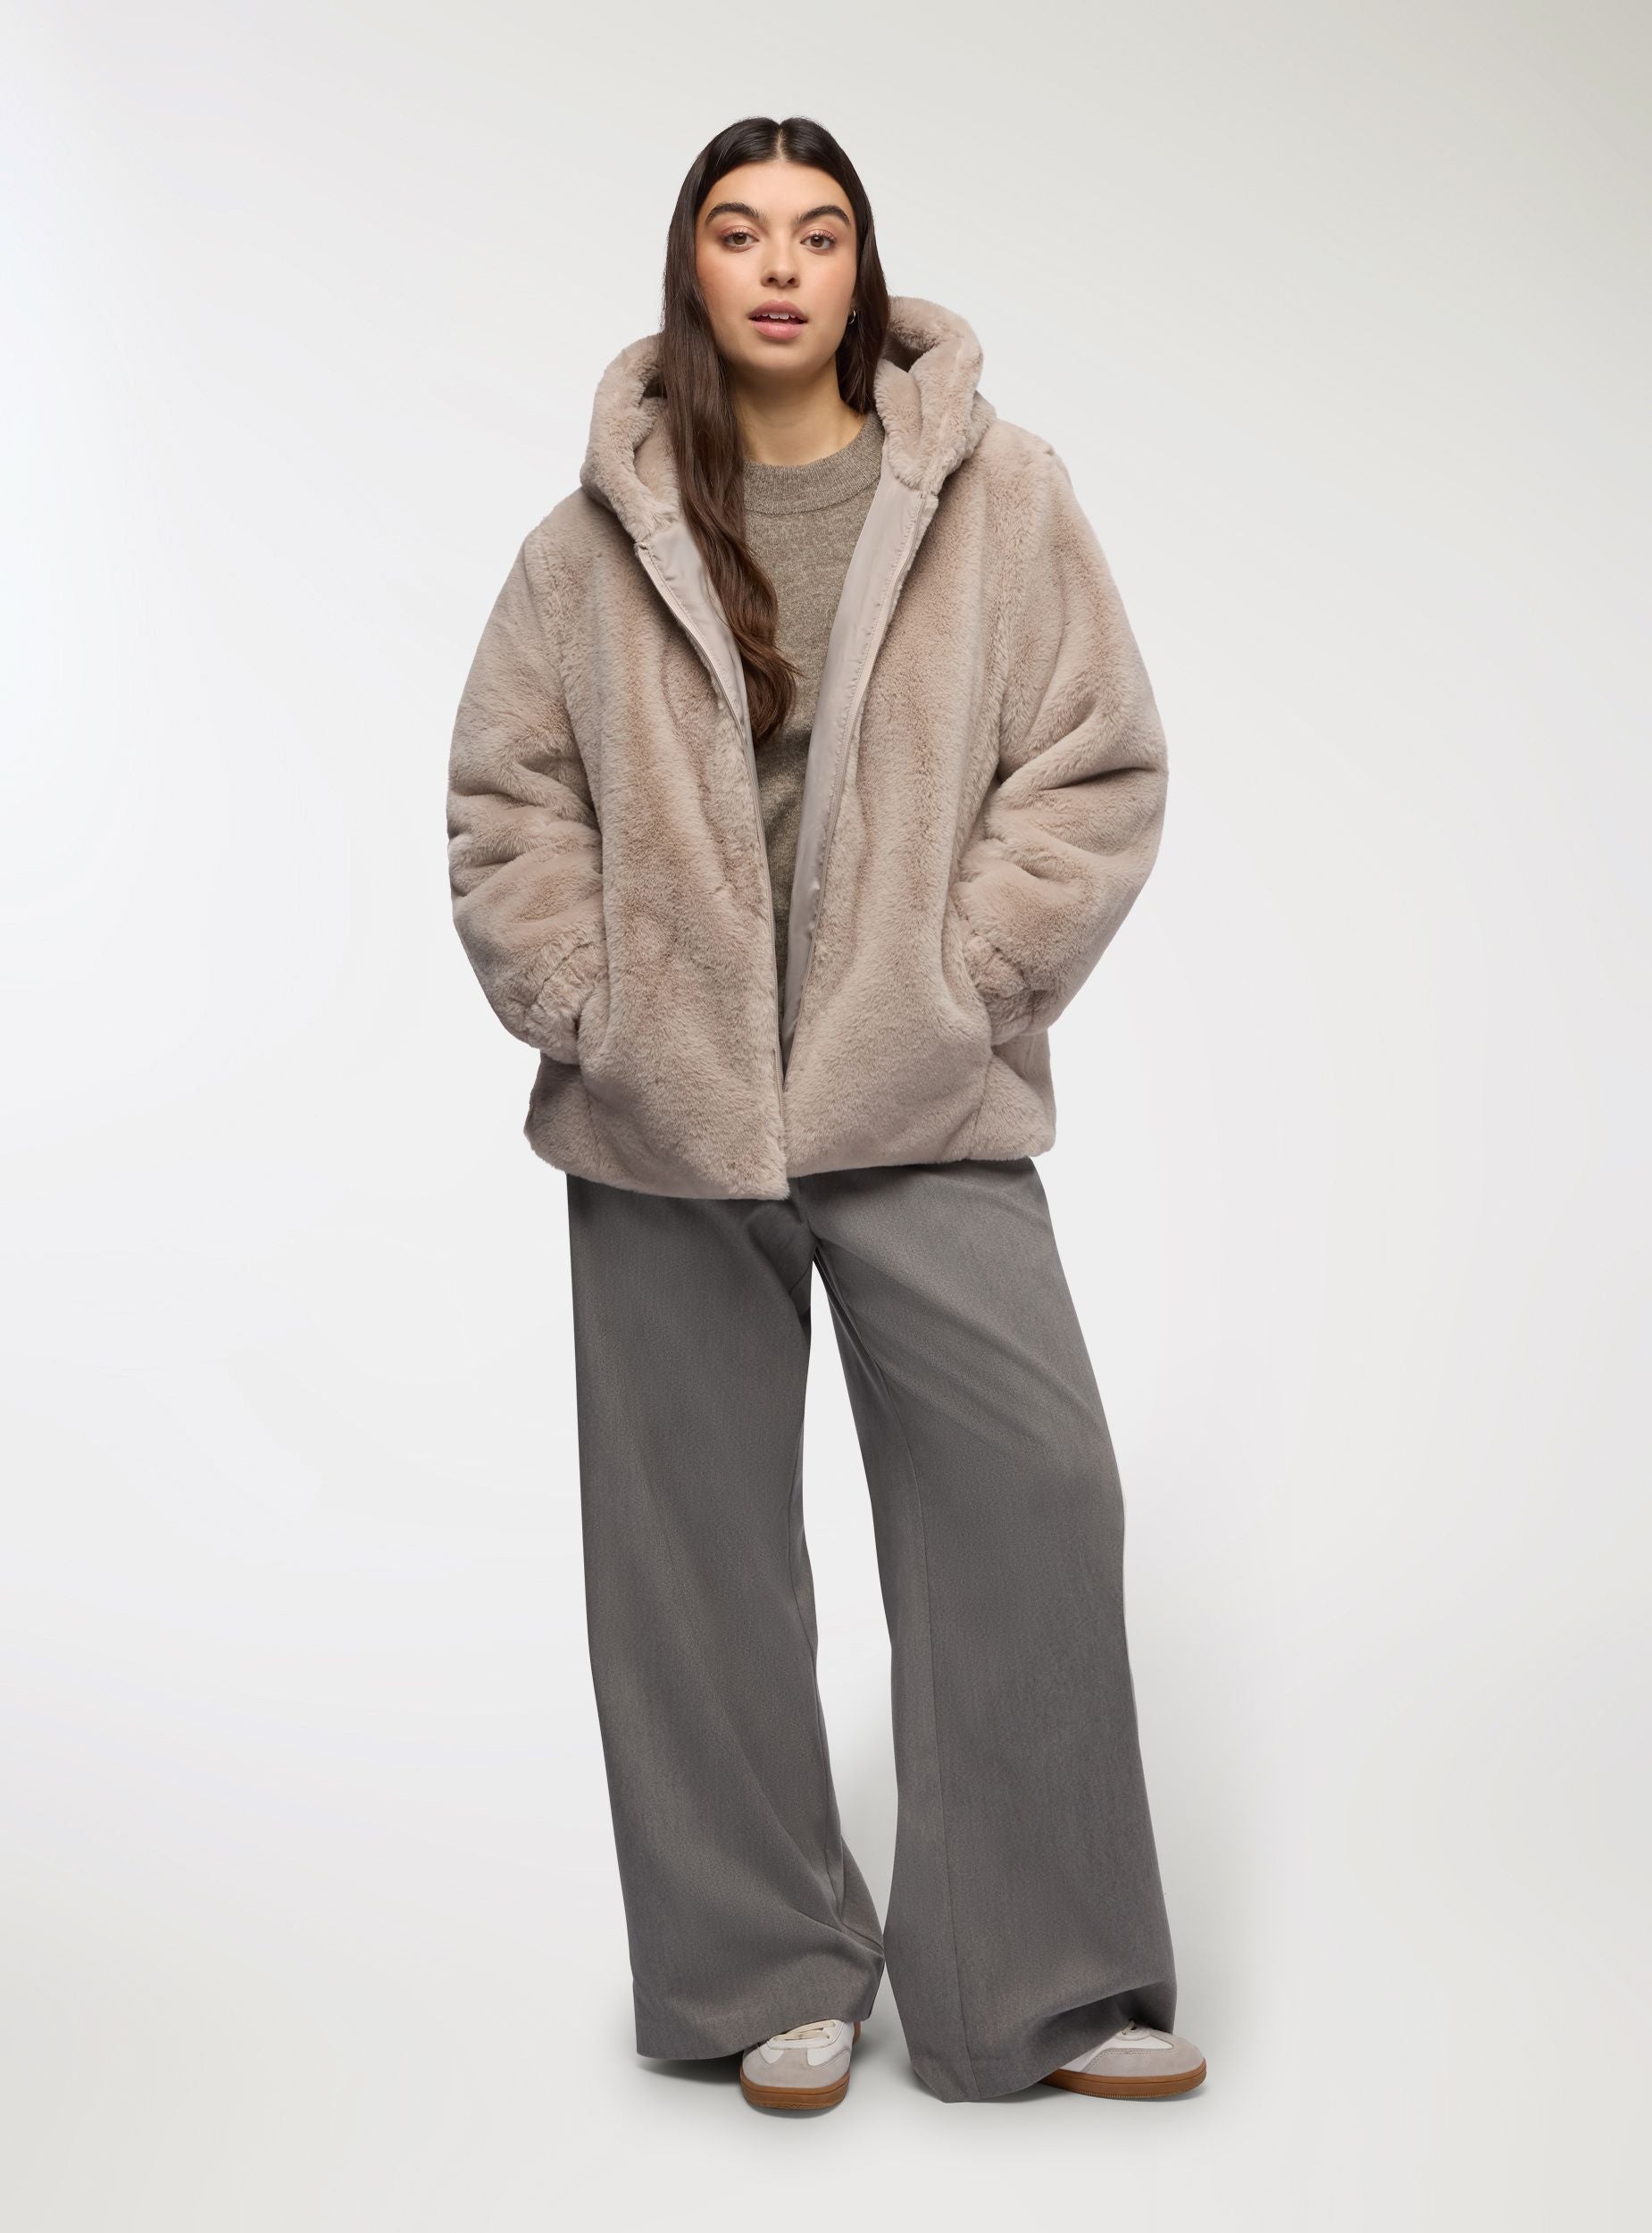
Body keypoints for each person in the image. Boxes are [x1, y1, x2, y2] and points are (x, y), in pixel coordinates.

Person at [446, 113, 1205, 2112]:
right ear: (689, 267)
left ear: (863, 267)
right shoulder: (585, 544)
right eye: (738, 230)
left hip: (914, 1087)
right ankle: (757, 1967)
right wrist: (592, 1012)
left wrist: (972, 982)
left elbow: (1094, 762)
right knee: (687, 1558)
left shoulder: (999, 499)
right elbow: (508, 801)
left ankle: (1039, 1982)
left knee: (1033, 1493)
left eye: (818, 230)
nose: (779, 265)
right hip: (666, 1111)